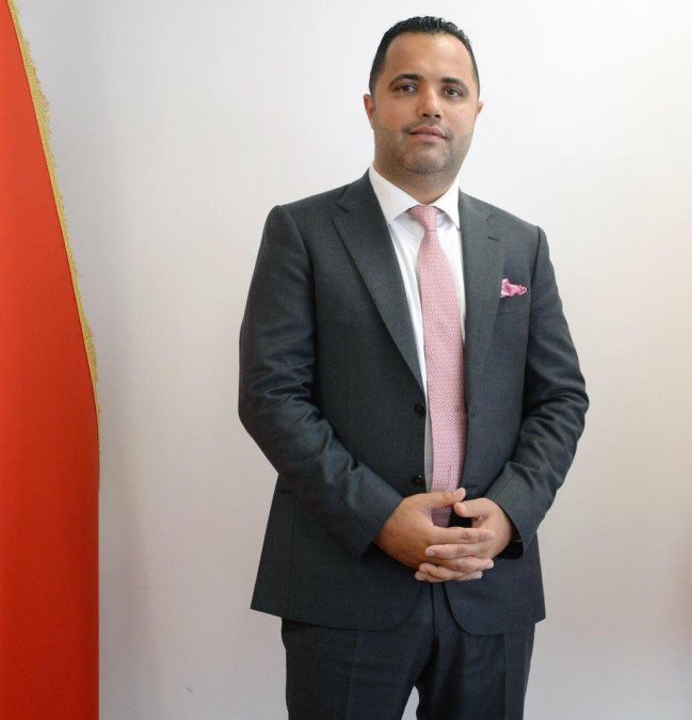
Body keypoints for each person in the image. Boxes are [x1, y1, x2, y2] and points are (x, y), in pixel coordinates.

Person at [239, 16, 587, 720]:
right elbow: (271, 396)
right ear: (372, 105)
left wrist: (509, 514)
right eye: (407, 86)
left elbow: (560, 399)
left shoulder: (521, 245)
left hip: (488, 585)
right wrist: (377, 518)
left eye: (451, 90)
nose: (431, 104)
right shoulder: (302, 231)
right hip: (346, 582)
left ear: (475, 111)